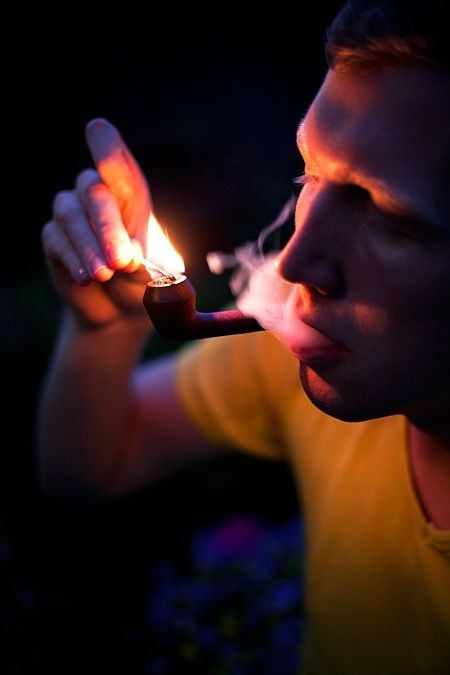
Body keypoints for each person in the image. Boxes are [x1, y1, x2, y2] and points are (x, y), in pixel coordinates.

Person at [38, 0, 450, 672]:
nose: (296, 264)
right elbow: (89, 468)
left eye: (389, 217)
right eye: (310, 173)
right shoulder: (304, 340)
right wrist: (102, 327)